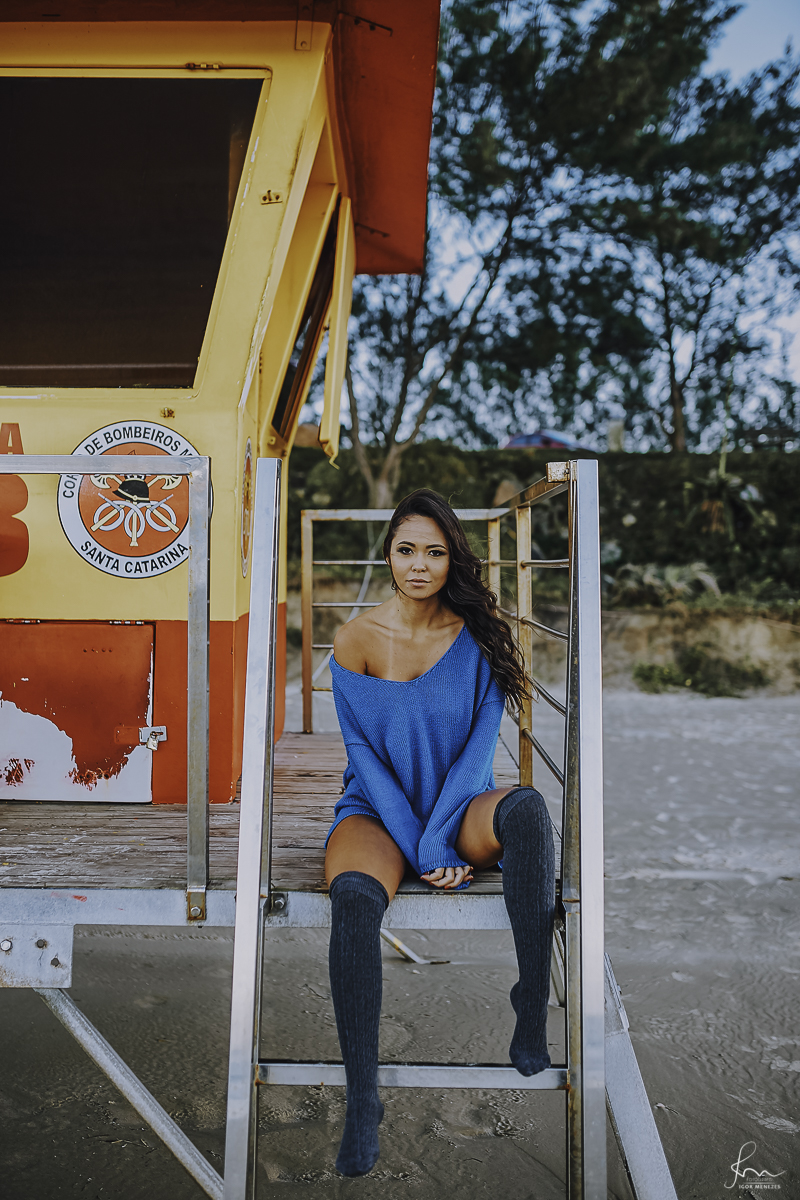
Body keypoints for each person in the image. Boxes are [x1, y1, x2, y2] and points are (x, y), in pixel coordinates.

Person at [325, 488, 555, 1176]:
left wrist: (443, 837)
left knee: (529, 811)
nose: (419, 565)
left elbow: (479, 750)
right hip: (377, 809)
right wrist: (417, 842)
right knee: (357, 903)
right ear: (388, 555)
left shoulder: (477, 634)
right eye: (406, 550)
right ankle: (363, 1098)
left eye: (434, 551)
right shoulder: (355, 638)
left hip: (462, 804)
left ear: (451, 556)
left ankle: (531, 1001)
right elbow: (363, 756)